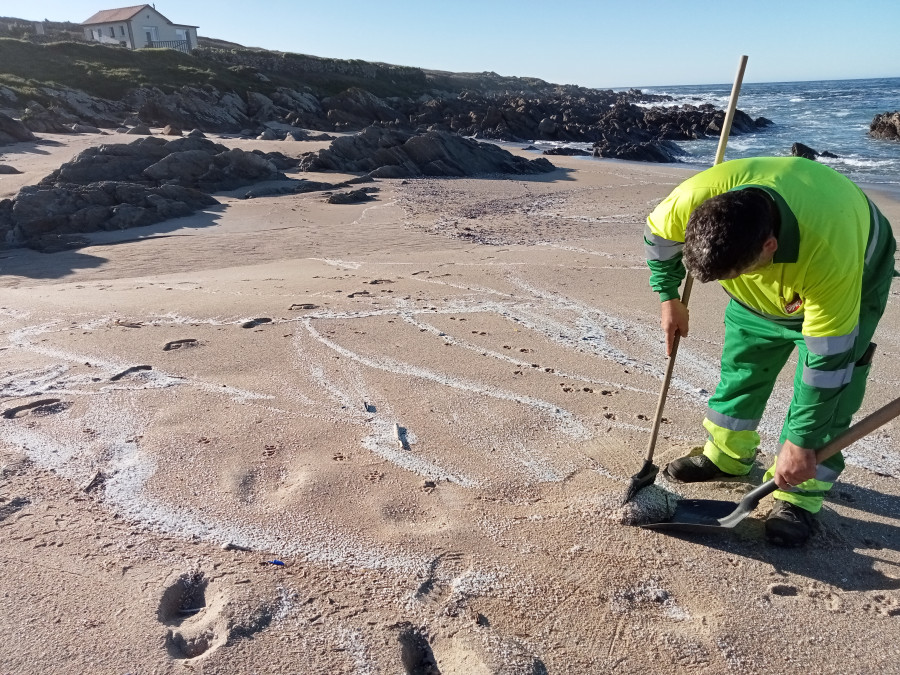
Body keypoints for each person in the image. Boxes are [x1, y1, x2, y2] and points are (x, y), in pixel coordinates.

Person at [644, 156, 897, 546]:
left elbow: (826, 365)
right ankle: (728, 457)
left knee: (833, 393)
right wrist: (668, 296)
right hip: (762, 289)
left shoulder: (829, 256)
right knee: (743, 364)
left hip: (852, 275)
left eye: (736, 273)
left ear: (770, 246)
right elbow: (658, 239)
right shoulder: (689, 202)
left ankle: (798, 495)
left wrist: (801, 442)